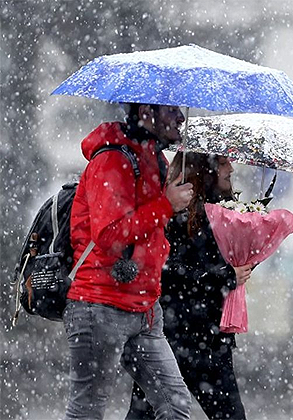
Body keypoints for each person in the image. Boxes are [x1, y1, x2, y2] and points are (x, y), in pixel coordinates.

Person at [64, 103, 194, 419]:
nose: (180, 117)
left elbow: (154, 230)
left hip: (145, 309)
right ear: (146, 111)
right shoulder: (112, 159)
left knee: (175, 405)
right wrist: (166, 205)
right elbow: (110, 234)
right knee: (87, 410)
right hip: (100, 306)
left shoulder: (155, 159)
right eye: (170, 109)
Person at [126, 152, 252, 420]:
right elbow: (170, 273)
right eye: (222, 163)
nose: (231, 168)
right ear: (204, 169)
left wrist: (245, 260)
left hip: (208, 337)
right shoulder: (176, 213)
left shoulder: (225, 212)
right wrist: (225, 276)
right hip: (174, 336)